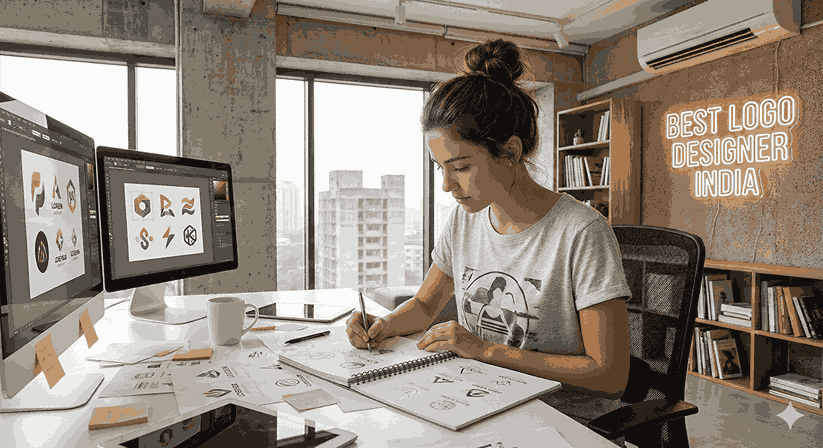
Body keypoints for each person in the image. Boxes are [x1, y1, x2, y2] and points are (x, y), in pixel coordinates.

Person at [346, 39, 631, 408]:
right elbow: (424, 305)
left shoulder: (582, 233)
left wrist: (484, 351)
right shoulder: (464, 222)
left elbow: (609, 377)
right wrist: (385, 324)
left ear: (510, 152)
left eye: (461, 167)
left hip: (557, 420)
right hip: (478, 400)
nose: (448, 186)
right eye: (441, 169)